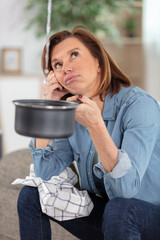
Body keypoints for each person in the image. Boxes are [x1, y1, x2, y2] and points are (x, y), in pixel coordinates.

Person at [17, 25, 160, 240]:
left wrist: (95, 126)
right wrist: (50, 107)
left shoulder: (139, 105)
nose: (65, 68)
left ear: (99, 62)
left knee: (119, 209)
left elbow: (126, 190)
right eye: (58, 64)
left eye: (74, 55)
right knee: (31, 194)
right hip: (111, 217)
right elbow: (44, 173)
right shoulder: (71, 113)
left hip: (149, 216)